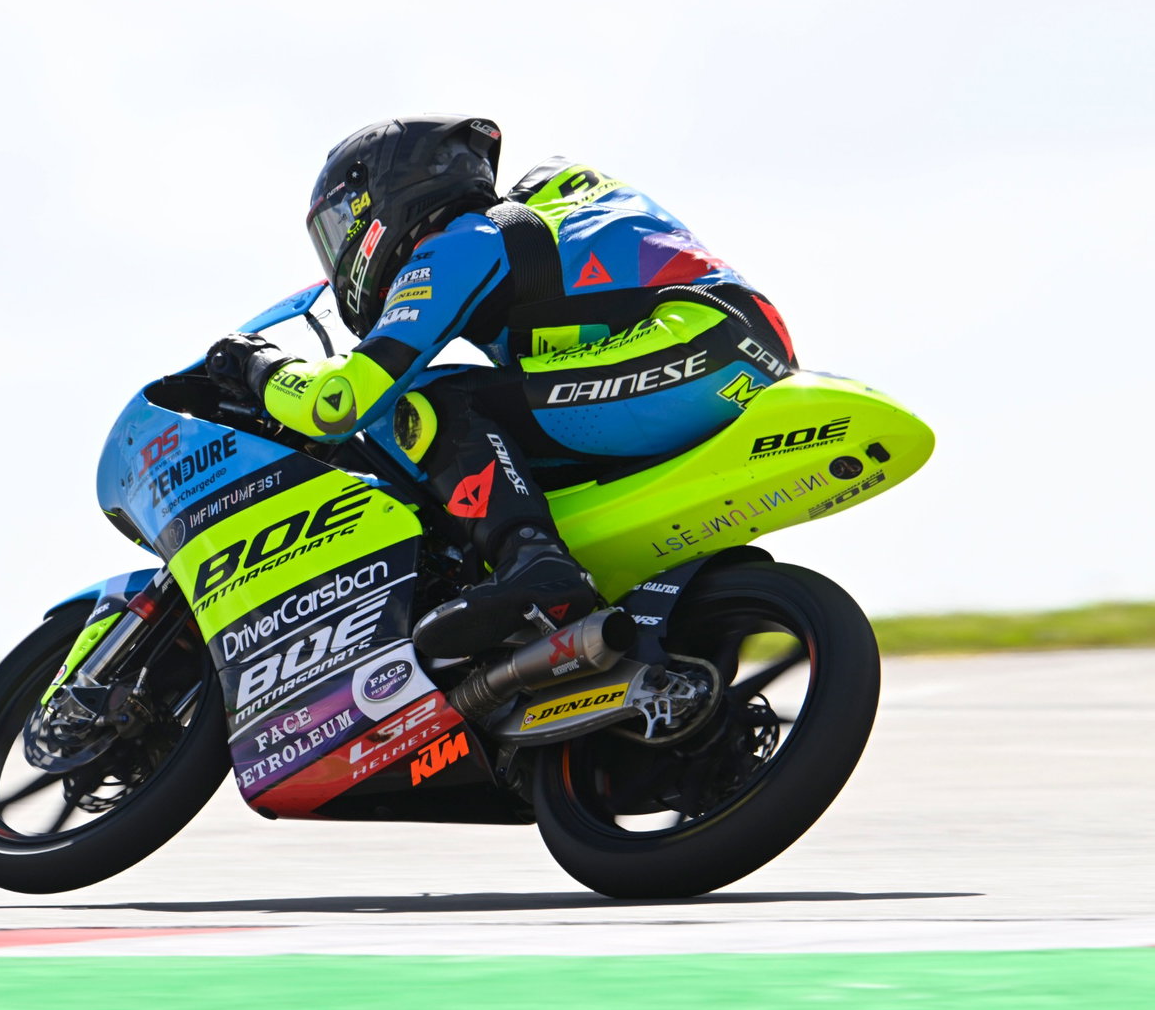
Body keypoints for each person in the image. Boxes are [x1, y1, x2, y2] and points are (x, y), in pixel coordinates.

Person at [208, 115, 797, 659]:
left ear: (382, 196)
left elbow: (340, 402)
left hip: (699, 349)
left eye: (342, 224)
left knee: (429, 403)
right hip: (724, 347)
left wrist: (258, 365)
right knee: (496, 417)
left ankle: (533, 563)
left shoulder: (464, 240)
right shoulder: (534, 224)